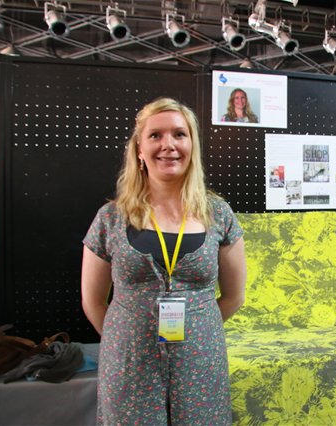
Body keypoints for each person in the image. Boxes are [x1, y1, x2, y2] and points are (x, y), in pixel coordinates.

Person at [81, 97, 247, 425]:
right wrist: (127, 336)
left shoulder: (218, 214)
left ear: (192, 145)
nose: (168, 144)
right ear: (139, 149)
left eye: (179, 134)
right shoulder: (110, 217)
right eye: (155, 135)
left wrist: (198, 328)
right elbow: (93, 301)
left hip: (201, 362)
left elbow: (234, 297)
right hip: (129, 365)